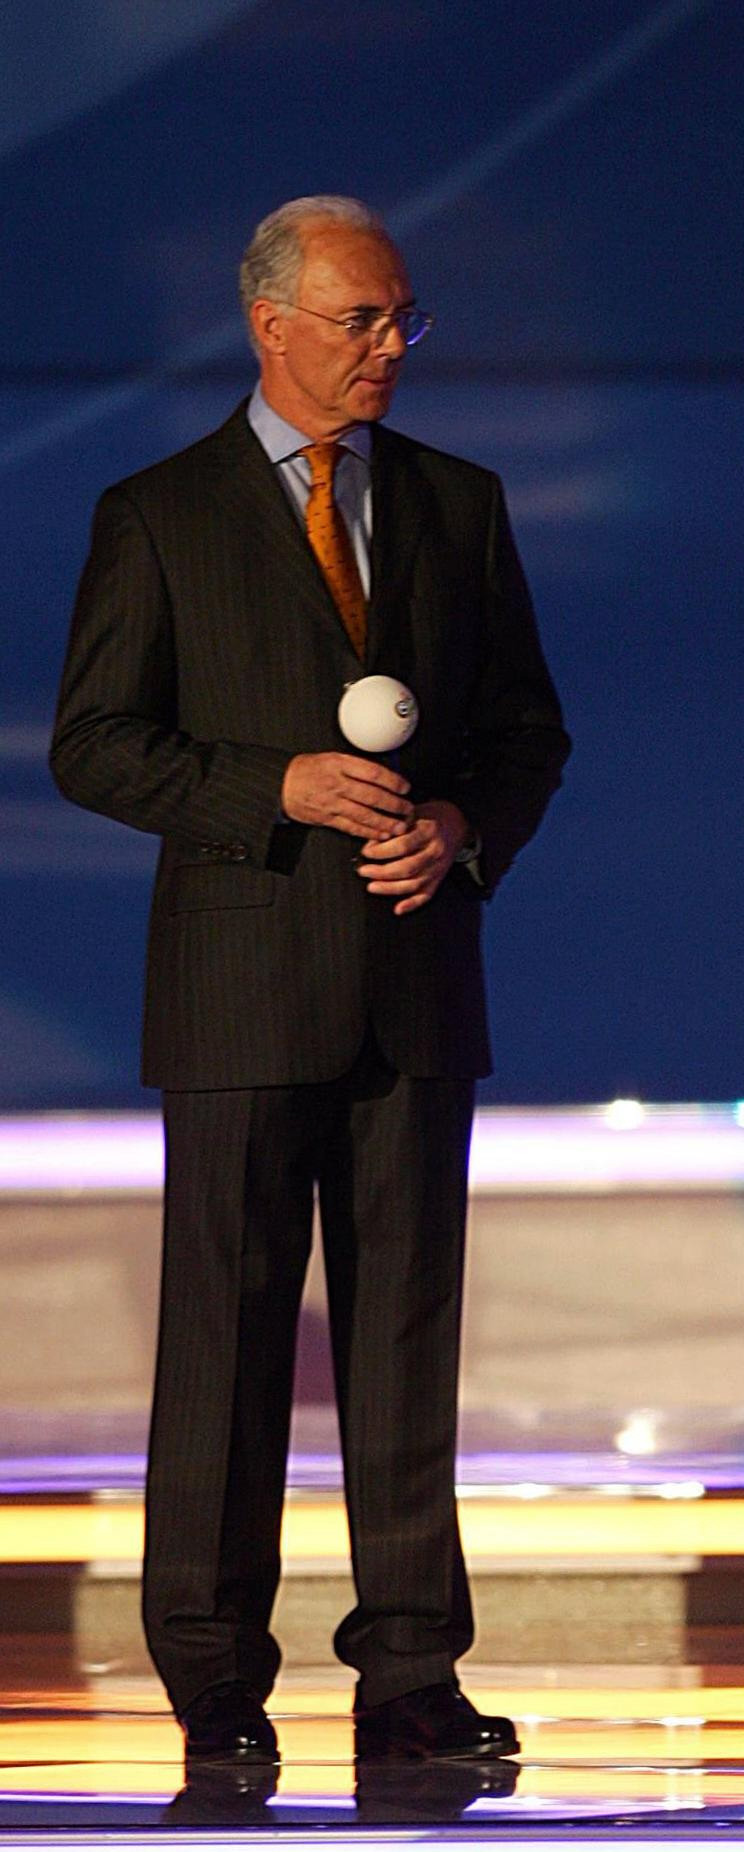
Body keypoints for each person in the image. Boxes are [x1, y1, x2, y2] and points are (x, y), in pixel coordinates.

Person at [51, 196, 571, 1765]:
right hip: (236, 984)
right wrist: (272, 788)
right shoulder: (161, 514)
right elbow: (95, 745)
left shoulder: (457, 504)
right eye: (360, 321)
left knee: (408, 1334)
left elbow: (527, 732)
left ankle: (412, 1670)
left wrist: (462, 828)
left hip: (415, 977)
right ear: (269, 323)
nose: (388, 349)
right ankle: (214, 1676)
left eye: (403, 319)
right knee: (224, 1339)